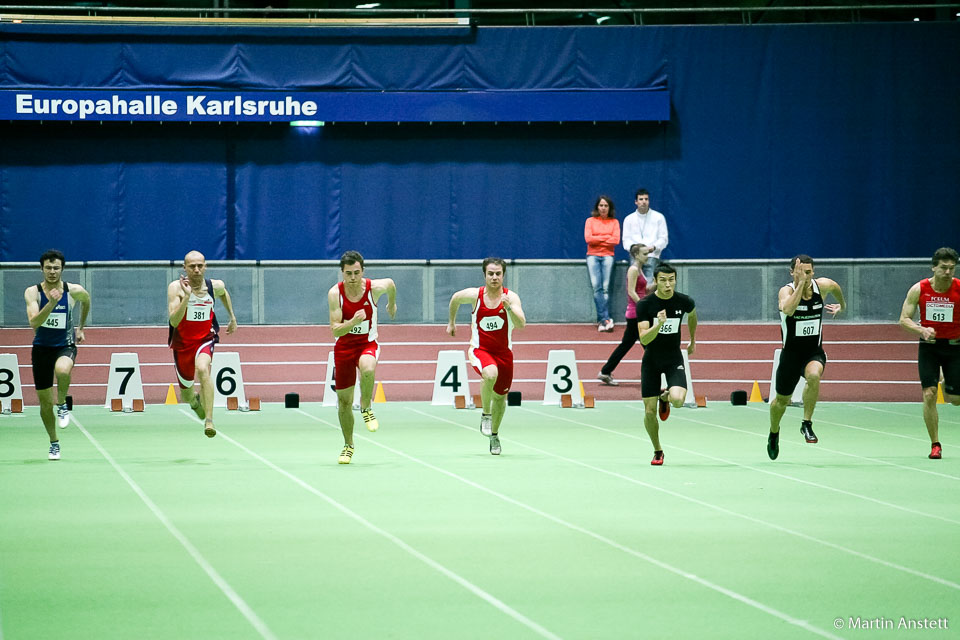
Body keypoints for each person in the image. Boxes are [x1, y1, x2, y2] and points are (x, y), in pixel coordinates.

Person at [767, 255, 845, 460]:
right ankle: (774, 433)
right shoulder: (787, 291)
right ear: (792, 272)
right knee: (780, 402)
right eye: (802, 272)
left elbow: (836, 287)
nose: (807, 276)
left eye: (809, 272)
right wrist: (800, 284)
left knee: (814, 376)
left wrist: (841, 306)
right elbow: (788, 309)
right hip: (791, 355)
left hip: (813, 351)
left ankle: (806, 423)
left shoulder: (822, 286)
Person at [447, 257, 526, 456]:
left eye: (498, 274)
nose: (494, 277)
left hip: (504, 354)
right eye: (490, 273)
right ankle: (485, 415)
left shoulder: (511, 297)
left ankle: (494, 435)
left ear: (503, 276)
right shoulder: (476, 295)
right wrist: (452, 323)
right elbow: (456, 298)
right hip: (480, 350)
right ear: (484, 275)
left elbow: (521, 324)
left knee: (501, 398)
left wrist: (508, 307)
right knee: (490, 374)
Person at [328, 251, 397, 464]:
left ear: (363, 271)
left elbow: (391, 284)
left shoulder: (373, 289)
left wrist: (391, 304)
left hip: (368, 343)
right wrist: (352, 322)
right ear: (342, 273)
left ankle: (366, 406)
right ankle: (348, 445)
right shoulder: (335, 294)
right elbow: (335, 331)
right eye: (348, 273)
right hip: (344, 348)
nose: (352, 278)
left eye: (356, 273)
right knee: (343, 402)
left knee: (368, 368)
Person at [24, 249, 90, 460]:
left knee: (62, 370)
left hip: (65, 345)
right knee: (44, 405)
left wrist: (80, 327)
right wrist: (51, 303)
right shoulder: (33, 292)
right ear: (41, 268)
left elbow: (86, 300)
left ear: (62, 269)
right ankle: (54, 443)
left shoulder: (73, 290)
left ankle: (62, 403)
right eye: (48, 268)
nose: (52, 272)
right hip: (41, 349)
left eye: (56, 268)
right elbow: (34, 322)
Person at [167, 250, 238, 439]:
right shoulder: (175, 288)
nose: (197, 270)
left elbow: (223, 293)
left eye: (200, 266)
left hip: (205, 339)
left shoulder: (215, 286)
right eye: (192, 266)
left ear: (205, 266)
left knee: (203, 369)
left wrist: (232, 317)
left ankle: (209, 420)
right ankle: (195, 403)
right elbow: (174, 321)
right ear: (185, 268)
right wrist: (188, 297)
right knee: (187, 396)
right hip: (182, 345)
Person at [898, 247, 960, 460]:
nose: (948, 272)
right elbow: (904, 319)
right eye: (943, 268)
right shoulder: (919, 289)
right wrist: (921, 330)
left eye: (952, 268)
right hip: (930, 347)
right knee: (929, 394)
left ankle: (945, 382)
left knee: (955, 399)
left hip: (955, 347)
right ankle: (935, 444)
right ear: (934, 267)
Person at [635, 262, 696, 466]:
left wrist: (693, 339)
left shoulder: (683, 301)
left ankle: (666, 396)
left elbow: (693, 314)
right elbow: (643, 339)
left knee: (678, 400)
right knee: (649, 412)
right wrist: (658, 325)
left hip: (673, 358)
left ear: (675, 280)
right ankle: (658, 450)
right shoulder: (645, 305)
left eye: (671, 280)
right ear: (656, 281)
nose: (668, 284)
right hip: (651, 360)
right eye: (663, 280)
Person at [598, 243, 650, 386]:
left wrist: (658, 284)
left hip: (637, 312)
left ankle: (605, 371)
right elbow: (631, 292)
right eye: (644, 254)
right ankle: (658, 372)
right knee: (649, 345)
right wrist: (643, 305)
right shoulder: (633, 270)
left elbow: (644, 290)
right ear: (636, 255)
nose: (647, 256)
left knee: (627, 345)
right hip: (636, 313)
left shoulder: (640, 269)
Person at [584, 195, 621, 332]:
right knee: (596, 287)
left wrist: (597, 239)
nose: (603, 208)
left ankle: (603, 320)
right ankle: (605, 318)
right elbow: (588, 239)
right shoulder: (590, 221)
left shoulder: (614, 222)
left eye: (606, 206)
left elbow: (616, 240)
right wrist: (606, 238)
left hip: (608, 256)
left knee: (605, 288)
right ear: (597, 207)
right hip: (592, 256)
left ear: (609, 208)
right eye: (601, 205)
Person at [621, 188, 669, 282]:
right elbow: (626, 240)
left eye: (646, 199)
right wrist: (635, 248)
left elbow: (663, 239)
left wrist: (654, 247)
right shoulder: (629, 219)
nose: (644, 202)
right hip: (635, 257)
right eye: (641, 199)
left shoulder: (659, 217)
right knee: (634, 285)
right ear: (636, 202)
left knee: (649, 286)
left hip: (652, 256)